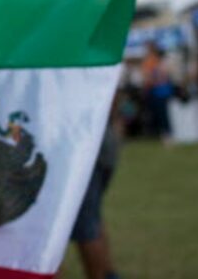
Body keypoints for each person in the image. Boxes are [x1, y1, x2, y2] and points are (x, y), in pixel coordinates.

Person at [69, 97, 121, 279]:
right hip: (99, 139)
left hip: (81, 146)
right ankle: (109, 274)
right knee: (91, 217)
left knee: (85, 226)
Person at [141, 43, 174, 142]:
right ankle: (162, 134)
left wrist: (150, 79)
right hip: (155, 91)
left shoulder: (156, 62)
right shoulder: (150, 62)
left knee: (163, 114)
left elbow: (156, 77)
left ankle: (166, 135)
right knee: (158, 114)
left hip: (160, 91)